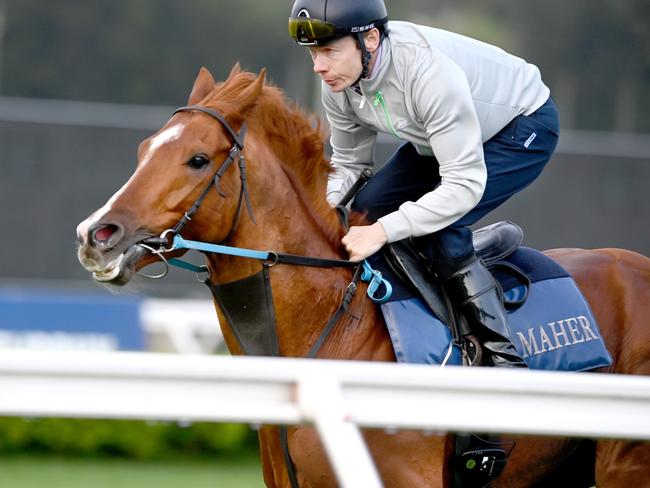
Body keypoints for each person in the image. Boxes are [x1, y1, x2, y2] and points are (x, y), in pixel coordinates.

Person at [288, 0, 560, 367]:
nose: (319, 67)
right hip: (444, 137)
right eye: (313, 54)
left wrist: (384, 231)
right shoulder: (338, 83)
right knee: (364, 212)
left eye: (330, 52)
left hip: (522, 126)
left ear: (370, 39)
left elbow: (463, 186)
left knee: (442, 231)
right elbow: (350, 163)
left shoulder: (428, 73)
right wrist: (322, 210)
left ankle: (501, 358)